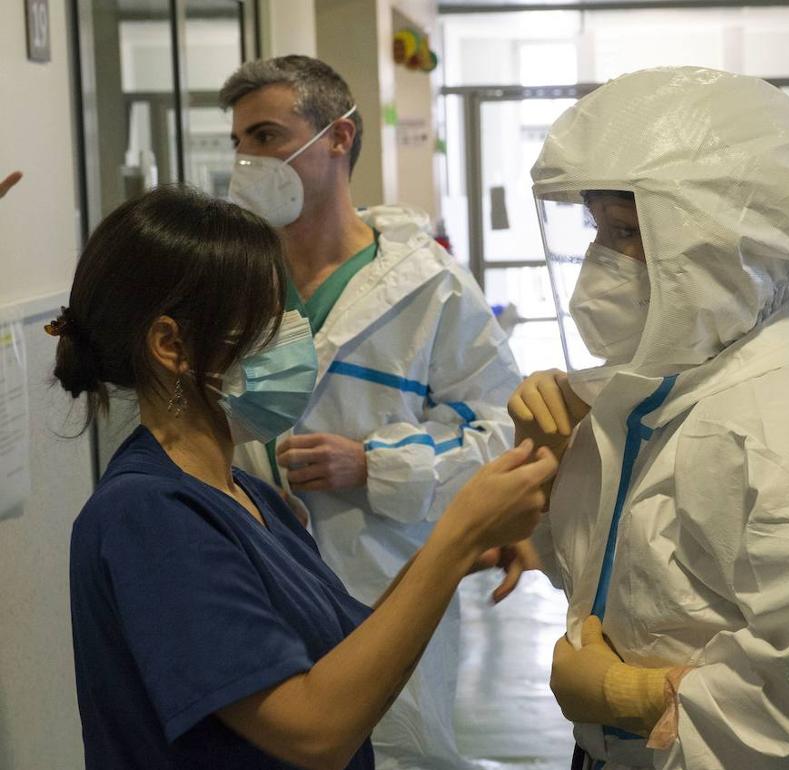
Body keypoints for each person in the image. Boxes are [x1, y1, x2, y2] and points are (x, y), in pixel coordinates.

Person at [511, 67, 789, 770]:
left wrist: (626, 695)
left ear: (724, 243)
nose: (602, 264)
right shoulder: (682, 381)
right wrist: (552, 462)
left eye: (629, 233)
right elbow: (619, 579)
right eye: (598, 232)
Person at [55, 185, 557, 770]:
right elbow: (314, 731)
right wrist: (455, 539)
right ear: (172, 345)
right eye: (267, 319)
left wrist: (464, 543)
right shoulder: (149, 515)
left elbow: (349, 654)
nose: (293, 337)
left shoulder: (246, 494)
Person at [218, 56, 527, 769]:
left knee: (391, 751)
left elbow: (500, 431)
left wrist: (373, 464)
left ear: (338, 137)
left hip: (384, 584)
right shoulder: (234, 276)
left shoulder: (429, 288)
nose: (248, 160)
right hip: (253, 581)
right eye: (238, 142)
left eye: (267, 136)